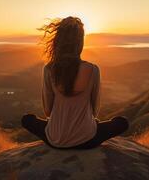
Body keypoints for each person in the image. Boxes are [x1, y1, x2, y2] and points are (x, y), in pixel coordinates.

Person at [21, 16, 128, 149]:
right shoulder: (93, 69)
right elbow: (94, 111)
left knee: (27, 120)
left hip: (54, 139)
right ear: (80, 42)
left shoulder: (49, 69)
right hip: (87, 139)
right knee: (121, 122)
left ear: (57, 41)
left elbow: (48, 112)